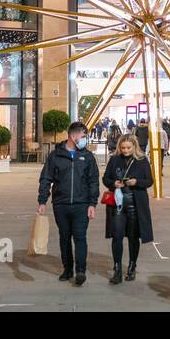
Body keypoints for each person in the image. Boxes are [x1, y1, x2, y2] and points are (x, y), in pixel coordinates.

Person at [37, 121, 100, 285]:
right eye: (83, 136)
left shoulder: (87, 157)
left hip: (82, 204)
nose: (85, 139)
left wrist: (92, 204)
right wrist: (42, 201)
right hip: (61, 205)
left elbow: (93, 181)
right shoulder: (55, 156)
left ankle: (80, 271)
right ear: (73, 135)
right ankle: (67, 269)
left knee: (80, 237)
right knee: (64, 237)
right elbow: (46, 178)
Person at [102, 133, 153, 283]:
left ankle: (132, 266)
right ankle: (117, 269)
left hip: (135, 205)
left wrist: (136, 182)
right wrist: (113, 183)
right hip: (117, 205)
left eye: (128, 148)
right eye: (123, 147)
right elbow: (105, 178)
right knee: (116, 236)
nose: (125, 150)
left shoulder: (142, 161)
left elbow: (149, 181)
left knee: (133, 237)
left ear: (134, 146)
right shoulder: (114, 159)